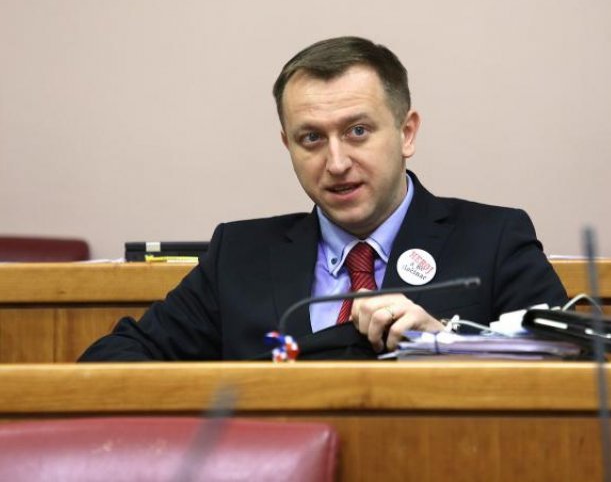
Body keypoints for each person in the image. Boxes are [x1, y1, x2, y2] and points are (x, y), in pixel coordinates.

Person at [80, 36, 567, 361]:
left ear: (406, 133)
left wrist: (447, 346)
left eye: (357, 131)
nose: (336, 163)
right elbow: (111, 360)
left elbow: (574, 365)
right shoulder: (240, 255)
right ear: (287, 145)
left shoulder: (493, 240)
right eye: (311, 138)